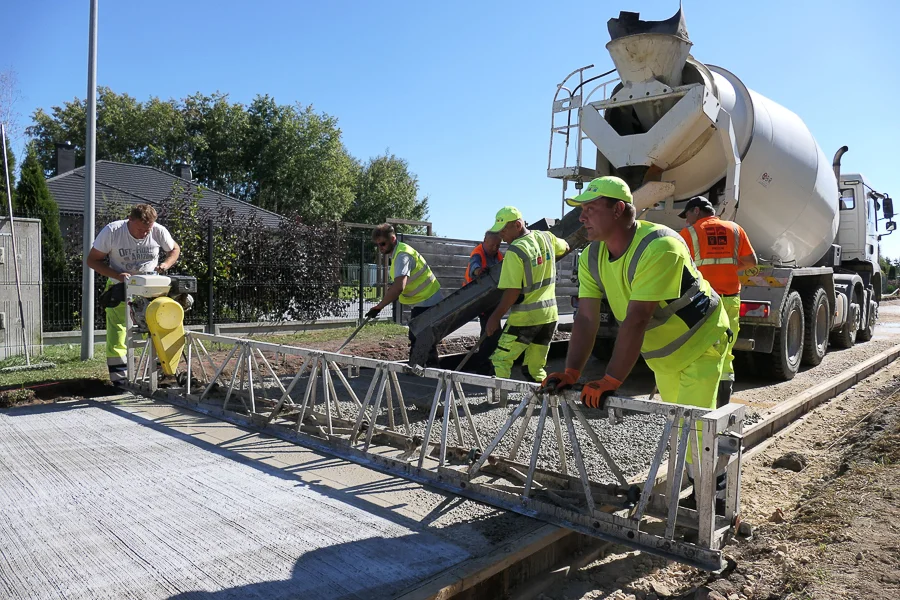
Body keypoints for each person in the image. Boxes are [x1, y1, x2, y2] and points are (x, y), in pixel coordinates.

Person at [542, 176, 730, 466]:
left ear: (618, 209)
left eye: (590, 209)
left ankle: (711, 497)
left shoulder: (660, 245)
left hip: (701, 342)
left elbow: (637, 318)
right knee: (679, 428)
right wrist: (571, 372)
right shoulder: (592, 256)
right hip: (665, 354)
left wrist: (611, 379)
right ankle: (691, 484)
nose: (582, 217)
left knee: (696, 432)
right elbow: (587, 318)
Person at [86, 204, 180, 386]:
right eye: (140, 229)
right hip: (119, 285)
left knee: (158, 324)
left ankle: (161, 373)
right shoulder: (113, 231)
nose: (145, 234)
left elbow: (174, 249)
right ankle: (119, 379)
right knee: (118, 330)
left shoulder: (159, 231)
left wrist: (166, 265)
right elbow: (92, 260)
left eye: (148, 230)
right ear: (130, 220)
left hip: (151, 287)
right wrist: (116, 275)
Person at [679, 196, 757, 405]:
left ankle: (700, 401)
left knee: (700, 350)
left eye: (686, 214)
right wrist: (729, 269)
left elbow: (678, 267)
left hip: (701, 301)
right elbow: (751, 261)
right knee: (726, 350)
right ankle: (723, 402)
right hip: (730, 300)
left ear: (696, 211)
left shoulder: (689, 233)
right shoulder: (735, 229)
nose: (686, 220)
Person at [485, 207, 569, 382]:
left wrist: (495, 318)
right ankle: (541, 404)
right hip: (549, 316)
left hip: (525, 318)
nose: (501, 236)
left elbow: (513, 291)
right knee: (535, 368)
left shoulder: (515, 251)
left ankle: (501, 403)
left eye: (504, 231)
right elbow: (566, 247)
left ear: (517, 225)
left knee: (500, 361)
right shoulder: (546, 237)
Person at [366, 223, 442, 365]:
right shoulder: (397, 253)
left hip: (428, 300)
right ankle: (429, 372)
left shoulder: (402, 255)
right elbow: (398, 284)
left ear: (393, 239)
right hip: (424, 299)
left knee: (419, 337)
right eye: (377, 245)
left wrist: (379, 307)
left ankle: (424, 373)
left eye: (382, 243)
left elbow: (399, 287)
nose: (380, 248)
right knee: (422, 338)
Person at [464, 231, 504, 372]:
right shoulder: (478, 253)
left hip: (492, 299)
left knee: (491, 332)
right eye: (492, 245)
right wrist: (478, 271)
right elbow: (473, 268)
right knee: (490, 332)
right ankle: (483, 365)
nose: (495, 248)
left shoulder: (499, 255)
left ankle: (487, 364)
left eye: (498, 245)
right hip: (478, 298)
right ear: (484, 241)